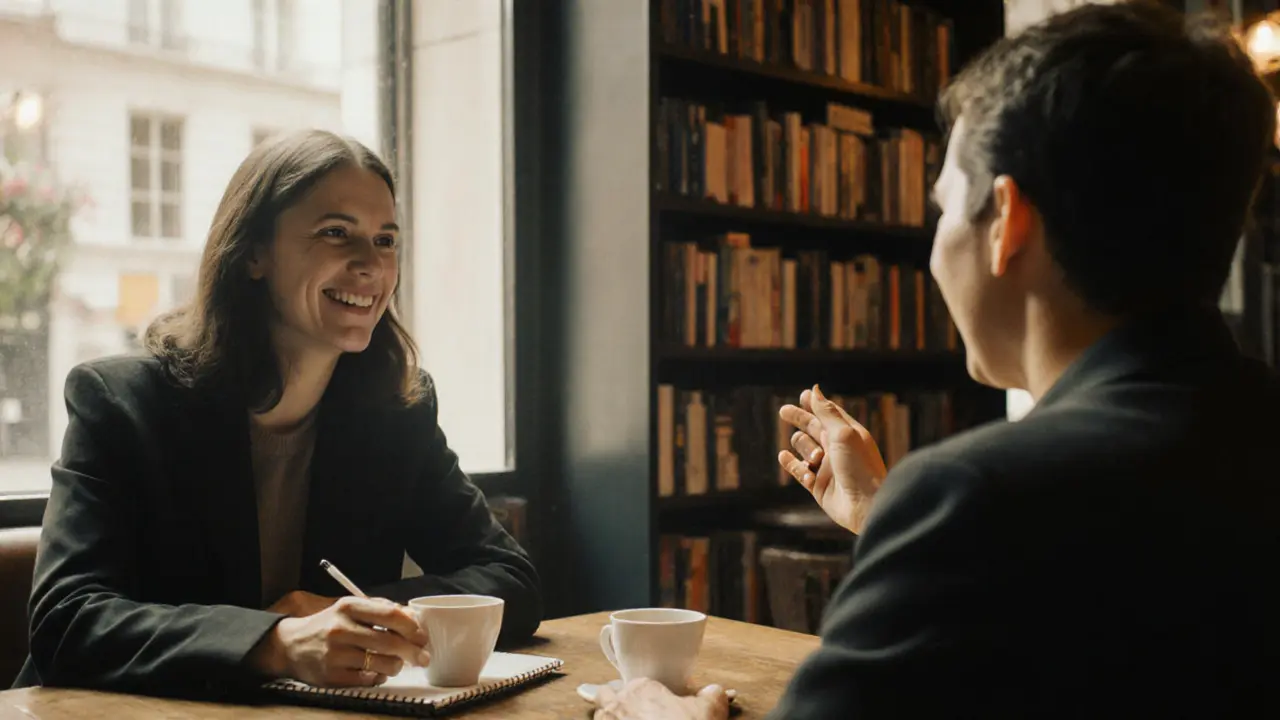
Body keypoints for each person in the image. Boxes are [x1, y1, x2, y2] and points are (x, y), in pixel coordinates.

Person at [592, 3, 1280, 718]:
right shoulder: (1244, 440)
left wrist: (660, 708)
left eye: (946, 208)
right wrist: (885, 517)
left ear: (1006, 223)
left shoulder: (974, 495)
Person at [14, 129, 542, 697]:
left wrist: (356, 614)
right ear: (253, 254)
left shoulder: (397, 410)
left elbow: (512, 581)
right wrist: (278, 641)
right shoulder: (122, 403)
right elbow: (67, 621)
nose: (371, 266)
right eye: (336, 233)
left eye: (386, 240)